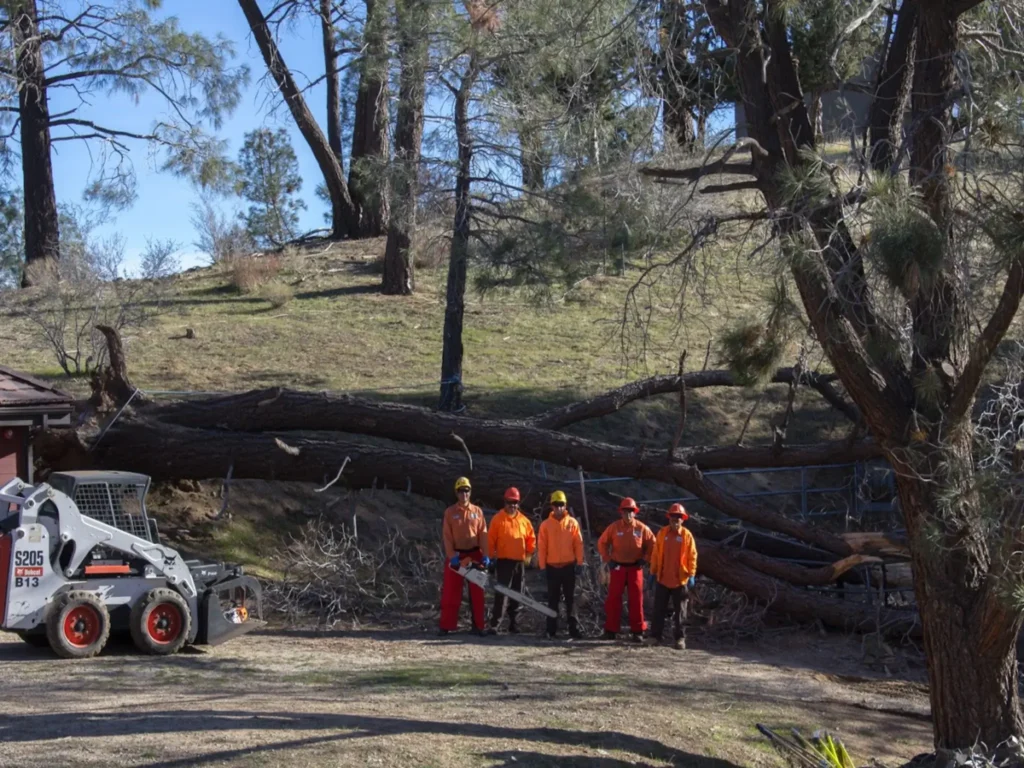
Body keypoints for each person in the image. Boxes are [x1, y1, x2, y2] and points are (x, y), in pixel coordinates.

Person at [597, 497, 655, 642]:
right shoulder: (614, 527)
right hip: (617, 567)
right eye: (625, 511)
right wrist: (607, 559)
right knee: (613, 599)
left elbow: (654, 544)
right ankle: (611, 630)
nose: (628, 514)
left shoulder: (642, 528)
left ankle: (638, 631)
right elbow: (602, 542)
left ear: (635, 513)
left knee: (636, 600)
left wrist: (646, 558)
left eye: (630, 511)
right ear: (621, 512)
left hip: (635, 568)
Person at [439, 476, 491, 636]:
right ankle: (446, 626)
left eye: (466, 491)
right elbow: (447, 536)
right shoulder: (450, 512)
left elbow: (483, 534)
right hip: (457, 555)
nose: (464, 494)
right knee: (450, 592)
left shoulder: (477, 512)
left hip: (475, 553)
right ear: (457, 493)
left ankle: (479, 626)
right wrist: (452, 556)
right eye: (461, 491)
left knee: (477, 593)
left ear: (470, 492)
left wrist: (486, 555)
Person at [486, 487, 536, 634]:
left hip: (519, 563)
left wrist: (529, 554)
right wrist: (490, 558)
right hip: (503, 562)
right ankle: (495, 625)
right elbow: (490, 541)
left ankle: (514, 624)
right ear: (504, 502)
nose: (512, 505)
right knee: (501, 594)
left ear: (518, 503)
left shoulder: (524, 521)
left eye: (514, 502)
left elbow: (531, 539)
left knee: (517, 593)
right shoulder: (497, 519)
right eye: (509, 502)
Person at [649, 503, 698, 650]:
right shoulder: (662, 533)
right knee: (658, 610)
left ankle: (680, 638)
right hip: (663, 579)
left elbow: (692, 556)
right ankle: (655, 637)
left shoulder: (687, 536)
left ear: (683, 519)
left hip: (680, 580)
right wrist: (653, 572)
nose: (675, 520)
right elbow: (656, 554)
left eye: (678, 518)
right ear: (669, 518)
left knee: (680, 612)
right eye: (673, 517)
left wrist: (691, 574)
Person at [537, 490, 585, 640]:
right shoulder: (545, 525)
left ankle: (574, 629)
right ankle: (551, 630)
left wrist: (580, 562)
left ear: (565, 506)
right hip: (552, 568)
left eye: (561, 505)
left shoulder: (572, 523)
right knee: (553, 600)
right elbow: (542, 547)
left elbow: (578, 544)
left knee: (570, 600)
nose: (559, 508)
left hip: (569, 566)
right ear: (552, 506)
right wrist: (542, 566)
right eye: (556, 505)